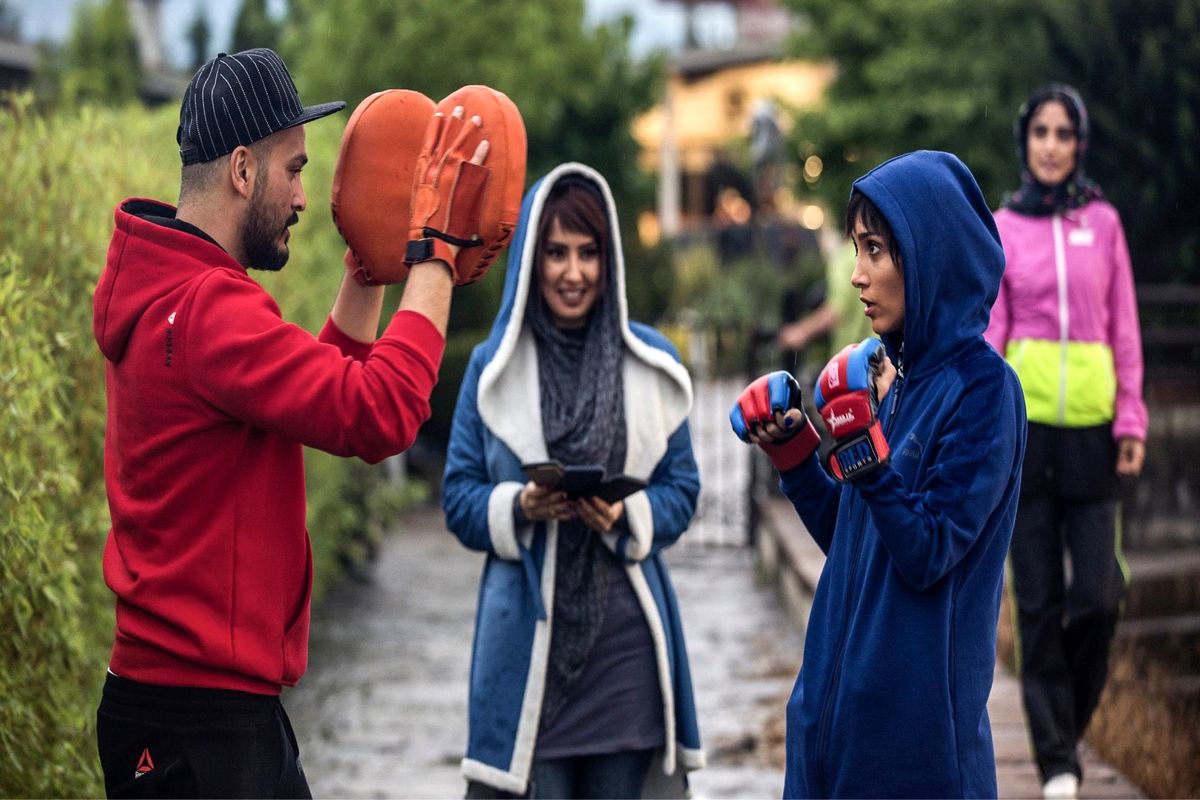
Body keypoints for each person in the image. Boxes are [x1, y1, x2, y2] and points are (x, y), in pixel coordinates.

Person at [91, 49, 490, 798]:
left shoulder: (176, 293)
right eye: (294, 168)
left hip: (199, 712)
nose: (304, 195)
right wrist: (436, 252)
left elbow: (323, 399)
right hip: (199, 723)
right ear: (244, 171)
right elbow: (381, 416)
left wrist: (367, 272)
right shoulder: (208, 311)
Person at [730, 150, 1027, 798]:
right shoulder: (898, 380)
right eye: (856, 249)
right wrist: (797, 452)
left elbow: (927, 553)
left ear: (928, 256)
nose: (858, 276)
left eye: (876, 251)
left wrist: (864, 452)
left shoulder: (984, 391)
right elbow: (858, 542)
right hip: (829, 734)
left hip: (915, 759)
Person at [442, 163, 705, 798]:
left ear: (609, 259)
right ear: (532, 258)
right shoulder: (492, 367)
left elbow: (682, 486)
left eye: (588, 253)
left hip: (627, 663)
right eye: (556, 252)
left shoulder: (652, 364)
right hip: (525, 662)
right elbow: (459, 495)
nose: (573, 272)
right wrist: (523, 504)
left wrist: (630, 516)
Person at [985, 84, 1147, 800]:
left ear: (1078, 142)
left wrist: (1131, 420)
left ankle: (1064, 729)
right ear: (1026, 141)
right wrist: (981, 418)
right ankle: (1056, 760)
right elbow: (992, 332)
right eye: (1039, 132)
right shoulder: (1003, 225)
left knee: (1101, 596)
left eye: (1063, 133)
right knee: (1039, 603)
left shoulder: (1104, 222)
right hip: (1025, 434)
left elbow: (1125, 327)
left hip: (1091, 430)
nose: (1050, 144)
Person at [777, 237, 875, 361]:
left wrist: (801, 332)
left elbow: (835, 311)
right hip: (879, 354)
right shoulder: (874, 253)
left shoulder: (844, 258)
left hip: (850, 361)